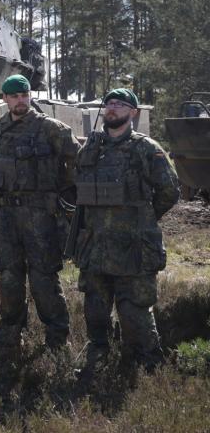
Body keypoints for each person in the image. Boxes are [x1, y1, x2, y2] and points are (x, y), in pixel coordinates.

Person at [67, 88, 179, 372]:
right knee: (95, 310)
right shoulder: (90, 149)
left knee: (134, 312)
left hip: (133, 248)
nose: (113, 108)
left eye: (120, 104)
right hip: (96, 246)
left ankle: (145, 367)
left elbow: (169, 191)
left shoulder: (147, 149)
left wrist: (143, 218)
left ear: (133, 113)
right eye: (109, 104)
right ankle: (98, 362)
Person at [0, 74, 79, 356]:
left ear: (30, 96)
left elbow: (77, 160)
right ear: (5, 100)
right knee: (9, 278)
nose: (20, 101)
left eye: (24, 95)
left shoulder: (51, 129)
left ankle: (58, 340)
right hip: (7, 217)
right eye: (14, 96)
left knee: (44, 279)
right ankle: (9, 338)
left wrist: (64, 193)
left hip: (41, 216)